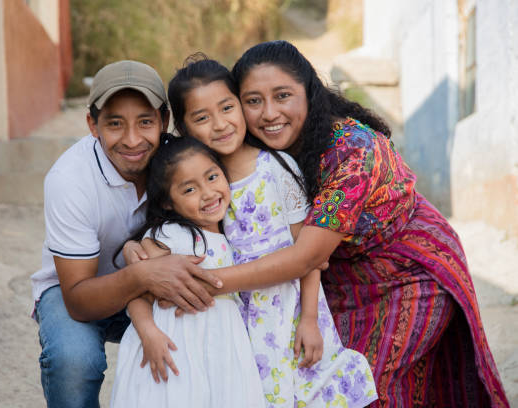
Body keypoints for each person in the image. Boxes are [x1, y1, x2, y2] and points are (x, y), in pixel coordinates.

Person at [221, 40, 509, 407]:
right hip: (341, 283)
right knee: (318, 383)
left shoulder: (353, 152)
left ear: (309, 93)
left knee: (360, 388)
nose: (269, 113)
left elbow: (305, 257)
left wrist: (207, 282)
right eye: (253, 101)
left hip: (409, 274)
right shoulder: (257, 152)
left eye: (282, 96)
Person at [166, 57, 377, 407]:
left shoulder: (277, 168)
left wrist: (309, 319)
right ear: (185, 128)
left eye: (227, 108)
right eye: (202, 118)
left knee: (306, 389)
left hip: (289, 309)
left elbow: (308, 255)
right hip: (240, 317)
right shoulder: (201, 185)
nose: (220, 124)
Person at [30, 60, 223, 408]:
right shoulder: (70, 179)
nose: (133, 140)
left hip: (153, 283)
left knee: (213, 329)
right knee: (74, 361)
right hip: (78, 290)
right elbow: (78, 299)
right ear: (93, 124)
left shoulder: (176, 162)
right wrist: (144, 273)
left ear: (164, 120)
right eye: (115, 124)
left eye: (145, 122)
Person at [110, 135, 265, 407]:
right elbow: (138, 295)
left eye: (212, 177)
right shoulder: (172, 236)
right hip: (175, 347)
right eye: (189, 190)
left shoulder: (235, 229)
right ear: (168, 202)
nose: (207, 193)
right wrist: (149, 333)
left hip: (223, 347)